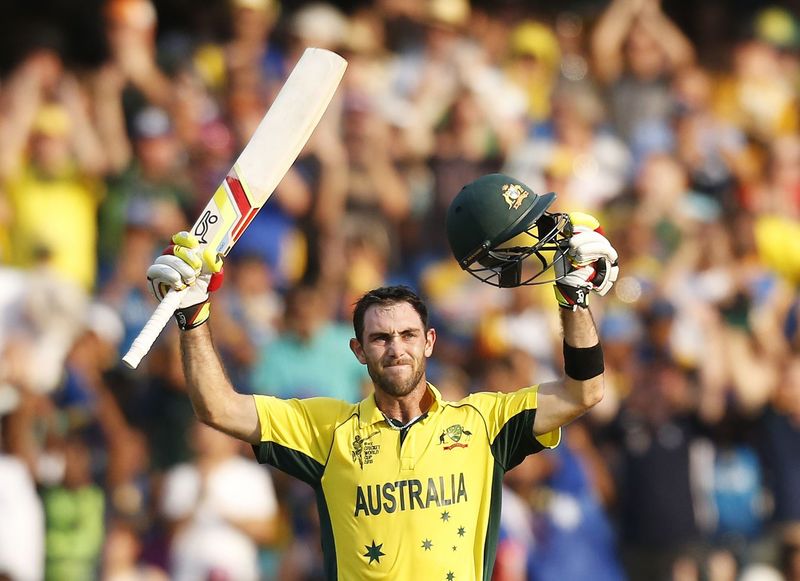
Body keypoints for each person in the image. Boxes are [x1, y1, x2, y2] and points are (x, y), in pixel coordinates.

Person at [144, 174, 619, 579]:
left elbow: (585, 390)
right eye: (380, 339)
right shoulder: (327, 430)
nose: (396, 349)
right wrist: (193, 316)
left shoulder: (483, 422)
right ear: (358, 350)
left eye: (408, 335)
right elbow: (217, 407)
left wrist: (573, 301)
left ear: (429, 342)